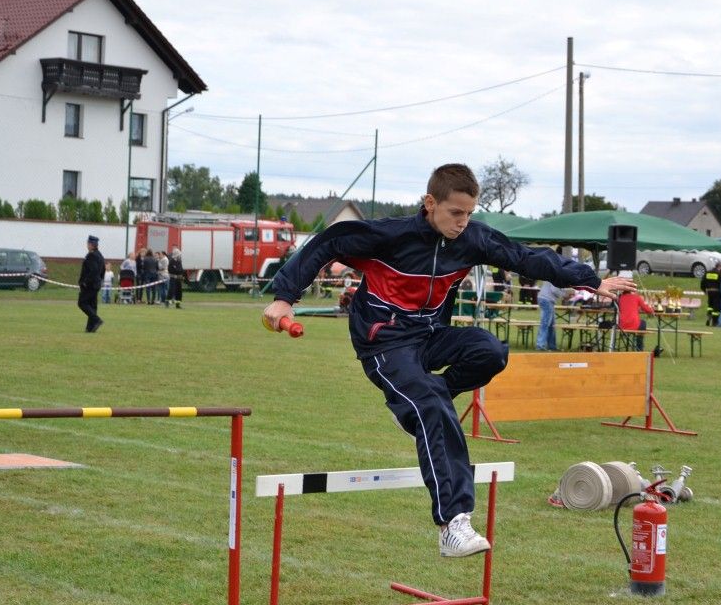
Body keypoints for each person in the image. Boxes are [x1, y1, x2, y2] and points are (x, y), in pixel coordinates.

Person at [262, 163, 636, 558]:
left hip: (430, 336)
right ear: (430, 204)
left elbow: (524, 257)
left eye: (469, 214)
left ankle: (413, 410)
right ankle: (453, 523)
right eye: (455, 213)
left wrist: (589, 279)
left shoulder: (472, 239)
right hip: (384, 343)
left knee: (489, 351)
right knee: (432, 405)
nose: (463, 222)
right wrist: (286, 295)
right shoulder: (388, 236)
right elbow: (327, 242)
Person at [616, 273, 655, 352]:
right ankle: (639, 347)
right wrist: (652, 309)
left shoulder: (620, 298)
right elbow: (647, 309)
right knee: (643, 323)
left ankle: (633, 344)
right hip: (634, 324)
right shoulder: (636, 297)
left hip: (622, 324)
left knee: (639, 322)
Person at [78, 235, 105, 332]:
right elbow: (103, 270)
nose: (87, 245)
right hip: (96, 284)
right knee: (92, 305)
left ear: (91, 245)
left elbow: (93, 271)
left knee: (82, 303)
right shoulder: (100, 255)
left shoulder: (92, 255)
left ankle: (96, 319)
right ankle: (90, 327)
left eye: (88, 243)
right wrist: (100, 280)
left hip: (90, 285)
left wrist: (85, 282)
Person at [535, 280, 567, 351]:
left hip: (545, 298)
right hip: (547, 299)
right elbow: (554, 290)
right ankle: (540, 345)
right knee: (545, 323)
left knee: (551, 324)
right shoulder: (558, 277)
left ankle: (552, 345)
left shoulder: (555, 273)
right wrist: (563, 294)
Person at [700, 260, 721, 326]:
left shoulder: (707, 273)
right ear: (719, 267)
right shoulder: (719, 274)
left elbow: (702, 282)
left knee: (710, 306)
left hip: (709, 292)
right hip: (717, 292)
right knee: (716, 307)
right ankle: (714, 322)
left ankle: (708, 319)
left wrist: (704, 290)